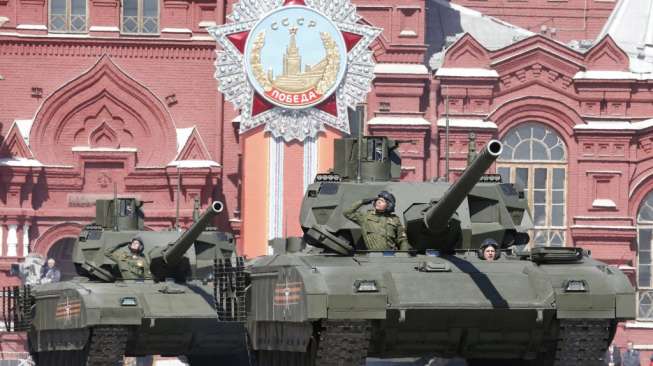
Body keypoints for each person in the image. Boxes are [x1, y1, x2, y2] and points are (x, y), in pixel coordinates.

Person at [343, 190, 412, 251]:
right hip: (373, 257)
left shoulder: (395, 220)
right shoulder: (366, 217)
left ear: (389, 205)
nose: (378, 202)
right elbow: (347, 212)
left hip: (390, 255)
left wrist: (404, 255)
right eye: (378, 200)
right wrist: (362, 202)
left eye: (382, 201)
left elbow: (402, 239)